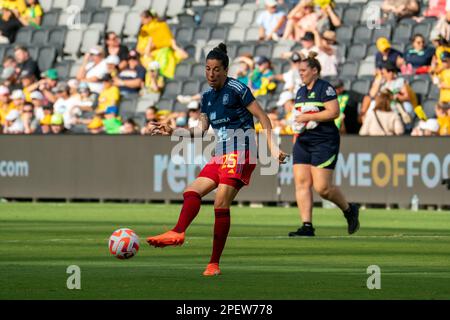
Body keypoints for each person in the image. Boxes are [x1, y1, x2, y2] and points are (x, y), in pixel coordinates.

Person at [146, 43, 287, 276]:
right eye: (207, 69)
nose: (211, 74)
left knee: (220, 203)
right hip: (220, 153)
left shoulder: (237, 89)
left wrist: (272, 148)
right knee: (191, 192)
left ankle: (213, 263)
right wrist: (174, 131)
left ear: (225, 70)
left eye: (216, 69)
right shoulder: (207, 97)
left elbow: (263, 117)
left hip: (242, 151)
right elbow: (201, 130)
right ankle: (178, 232)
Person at [289, 52, 360, 237]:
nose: (301, 74)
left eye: (304, 70)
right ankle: (307, 226)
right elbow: (298, 117)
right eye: (300, 71)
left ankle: (349, 209)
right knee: (301, 183)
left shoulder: (325, 88)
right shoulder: (300, 91)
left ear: (315, 71)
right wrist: (296, 132)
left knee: (323, 188)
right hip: (303, 140)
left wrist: (309, 116)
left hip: (324, 141)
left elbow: (334, 112)